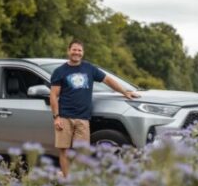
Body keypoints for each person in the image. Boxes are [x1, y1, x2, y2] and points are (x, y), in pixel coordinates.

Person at [50, 39, 140, 178]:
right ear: (69, 51)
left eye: (79, 50)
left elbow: (108, 80)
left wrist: (124, 92)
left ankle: (77, 178)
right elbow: (54, 95)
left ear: (83, 53)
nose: (77, 53)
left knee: (82, 152)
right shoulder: (60, 71)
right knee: (64, 151)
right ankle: (67, 181)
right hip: (64, 117)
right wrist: (56, 117)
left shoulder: (89, 68)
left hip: (83, 118)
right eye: (74, 49)